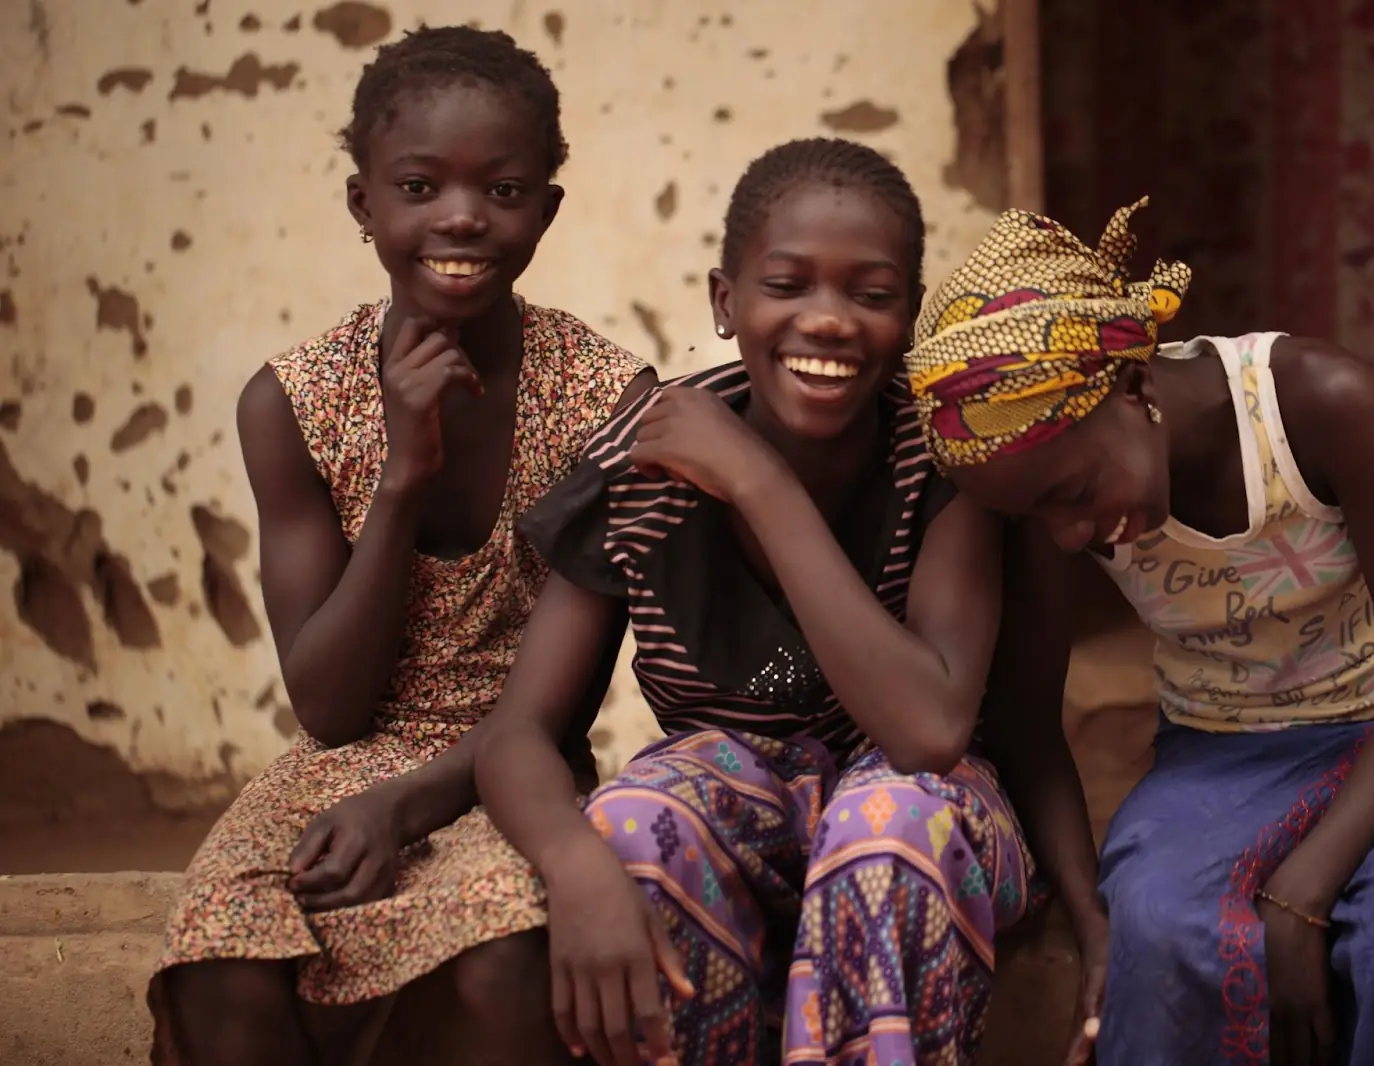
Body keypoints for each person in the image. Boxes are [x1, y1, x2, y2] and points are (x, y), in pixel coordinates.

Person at [904, 201, 1374, 1066]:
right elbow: (1031, 724)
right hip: (1214, 753)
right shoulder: (1047, 502)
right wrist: (1092, 920)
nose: (1070, 537)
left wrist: (1302, 892)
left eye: (1074, 495)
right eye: (1038, 517)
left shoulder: (1314, 406)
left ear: (1134, 387)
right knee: (1157, 925)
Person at [148, 26, 655, 1066]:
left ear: (545, 212)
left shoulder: (606, 403)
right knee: (221, 975)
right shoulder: (292, 401)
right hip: (335, 768)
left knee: (502, 964)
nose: (461, 215)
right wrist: (400, 478)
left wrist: (404, 806)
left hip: (514, 766)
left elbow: (552, 711)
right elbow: (330, 707)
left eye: (503, 190)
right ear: (364, 205)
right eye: (419, 185)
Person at [475, 137, 1039, 1066]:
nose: (829, 320)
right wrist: (576, 867)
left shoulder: (943, 456)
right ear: (726, 303)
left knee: (887, 826)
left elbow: (930, 731)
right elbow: (518, 734)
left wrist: (758, 482)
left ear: (909, 319)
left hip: (932, 815)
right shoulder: (642, 466)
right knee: (632, 824)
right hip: (744, 804)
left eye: (871, 294)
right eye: (789, 285)